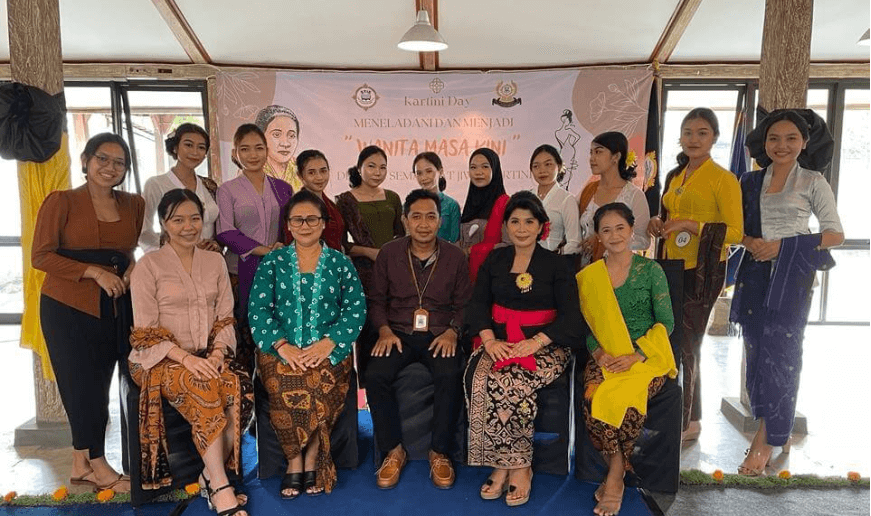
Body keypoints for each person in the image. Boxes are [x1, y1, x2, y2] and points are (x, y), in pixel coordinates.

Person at [731, 110, 843, 476]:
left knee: (782, 357)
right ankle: (775, 429)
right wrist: (750, 241)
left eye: (791, 138)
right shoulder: (749, 180)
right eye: (774, 138)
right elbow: (734, 227)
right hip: (754, 276)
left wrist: (782, 246)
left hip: (792, 280)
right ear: (764, 143)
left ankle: (766, 439)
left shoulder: (813, 181)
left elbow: (835, 234)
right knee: (756, 354)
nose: (782, 145)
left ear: (804, 142)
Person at [31, 133, 144, 493]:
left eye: (119, 162)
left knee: (104, 382)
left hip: (116, 304)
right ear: (85, 160)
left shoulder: (134, 203)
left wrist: (130, 271)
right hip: (67, 306)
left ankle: (80, 464)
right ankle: (98, 465)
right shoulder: (61, 201)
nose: (111, 167)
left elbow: (129, 251)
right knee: (81, 387)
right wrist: (94, 272)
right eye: (102, 159)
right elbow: (41, 256)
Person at [129, 189, 251, 516]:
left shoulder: (214, 261)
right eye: (178, 220)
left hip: (207, 354)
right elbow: (144, 332)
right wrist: (187, 359)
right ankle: (221, 486)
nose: (188, 227)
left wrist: (218, 353)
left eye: (195, 219)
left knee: (235, 385)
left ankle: (208, 475)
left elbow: (225, 316)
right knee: (205, 387)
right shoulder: (148, 266)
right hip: (156, 359)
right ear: (163, 224)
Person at [465, 191, 582, 507]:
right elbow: (477, 305)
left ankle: (519, 467)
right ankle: (503, 463)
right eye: (514, 221)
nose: (521, 228)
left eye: (529, 221)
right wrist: (490, 341)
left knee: (513, 381)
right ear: (506, 226)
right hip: (500, 342)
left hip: (546, 345)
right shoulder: (494, 260)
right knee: (481, 377)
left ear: (542, 226)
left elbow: (571, 317)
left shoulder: (557, 264)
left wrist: (534, 342)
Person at [248, 190, 365, 498]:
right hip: (280, 350)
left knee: (319, 384)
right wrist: (281, 345)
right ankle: (294, 459)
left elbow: (355, 309)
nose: (305, 225)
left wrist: (330, 343)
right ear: (288, 224)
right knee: (286, 384)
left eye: (312, 219)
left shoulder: (340, 263)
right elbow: (258, 310)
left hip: (329, 349)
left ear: (324, 223)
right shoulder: (272, 262)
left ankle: (311, 457)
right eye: (297, 219)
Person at [366, 189, 473, 490]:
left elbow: (465, 303)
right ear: (405, 220)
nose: (423, 224)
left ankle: (439, 452)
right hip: (397, 332)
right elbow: (376, 300)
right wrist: (384, 330)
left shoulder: (455, 256)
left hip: (440, 333)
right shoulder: (389, 253)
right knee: (375, 374)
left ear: (440, 221)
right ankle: (393, 450)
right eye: (416, 217)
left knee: (450, 373)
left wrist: (453, 331)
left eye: (430, 217)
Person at [646, 108, 742, 442]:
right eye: (688, 132)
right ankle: (682, 413)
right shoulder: (676, 175)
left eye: (702, 133)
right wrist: (657, 222)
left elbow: (735, 232)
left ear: (714, 137)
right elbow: (667, 215)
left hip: (703, 272)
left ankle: (690, 420)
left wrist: (691, 225)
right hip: (670, 266)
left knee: (690, 343)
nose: (693, 139)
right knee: (673, 341)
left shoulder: (723, 179)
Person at [576, 203, 677, 516]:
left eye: (620, 228)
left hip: (645, 355)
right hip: (605, 354)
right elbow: (587, 327)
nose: (614, 235)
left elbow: (666, 323)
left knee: (629, 402)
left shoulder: (651, 271)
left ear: (632, 230)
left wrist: (637, 355)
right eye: (606, 230)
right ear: (598, 236)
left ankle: (614, 478)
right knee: (594, 397)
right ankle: (617, 469)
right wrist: (599, 353)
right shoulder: (590, 276)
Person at [216, 123, 294, 380]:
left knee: (277, 331)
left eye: (259, 148)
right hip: (240, 272)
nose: (253, 155)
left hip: (277, 270)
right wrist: (263, 250)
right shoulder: (227, 190)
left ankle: (272, 388)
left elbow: (290, 226)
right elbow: (225, 231)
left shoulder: (283, 188)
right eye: (245, 149)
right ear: (235, 153)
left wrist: (280, 248)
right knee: (245, 333)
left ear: (267, 151)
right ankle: (244, 393)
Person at [335, 146, 405, 378]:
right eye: (371, 166)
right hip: (362, 274)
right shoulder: (345, 201)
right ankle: (367, 385)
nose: (377, 172)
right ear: (359, 168)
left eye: (382, 167)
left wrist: (388, 255)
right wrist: (368, 252)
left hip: (393, 272)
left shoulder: (393, 197)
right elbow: (341, 244)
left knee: (394, 324)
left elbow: (401, 235)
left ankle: (393, 379)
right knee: (367, 329)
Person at [139, 123, 221, 254]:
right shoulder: (156, 184)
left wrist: (216, 244)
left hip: (210, 258)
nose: (195, 152)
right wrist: (169, 251)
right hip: (174, 260)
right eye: (188, 145)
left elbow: (217, 227)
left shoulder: (209, 185)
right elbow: (143, 230)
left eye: (201, 147)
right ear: (175, 147)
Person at [578, 132, 650, 269]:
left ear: (616, 157)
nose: (592, 158)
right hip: (586, 270)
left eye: (598, 152)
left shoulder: (634, 195)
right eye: (591, 153)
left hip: (621, 270)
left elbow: (643, 240)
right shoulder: (588, 191)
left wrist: (602, 241)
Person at [459, 148, 510, 282]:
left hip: (494, 279)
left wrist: (473, 250)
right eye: (473, 167)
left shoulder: (506, 204)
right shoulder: (469, 203)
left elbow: (510, 246)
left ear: (495, 169)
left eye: (485, 166)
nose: (478, 172)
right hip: (465, 281)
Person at [528, 144, 582, 262]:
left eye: (548, 164)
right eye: (536, 166)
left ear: (559, 166)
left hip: (554, 261)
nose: (542, 170)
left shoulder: (566, 199)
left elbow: (575, 242)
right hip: (525, 260)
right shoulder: (527, 198)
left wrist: (555, 255)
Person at [292, 149, 345, 250]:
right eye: (311, 173)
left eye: (323, 171)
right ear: (300, 176)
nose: (319, 177)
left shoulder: (330, 204)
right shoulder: (297, 206)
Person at [413, 152, 460, 243]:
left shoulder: (451, 205)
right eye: (419, 173)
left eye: (429, 171)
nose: (424, 177)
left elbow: (455, 242)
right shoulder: (410, 204)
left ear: (441, 172)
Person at [255, 105, 302, 190]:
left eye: (291, 136)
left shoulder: (303, 170)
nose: (285, 143)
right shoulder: (251, 173)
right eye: (276, 135)